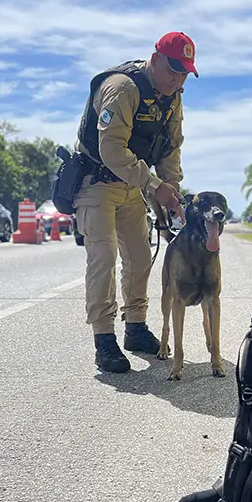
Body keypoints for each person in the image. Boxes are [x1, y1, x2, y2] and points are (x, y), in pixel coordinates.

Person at [72, 31, 196, 373]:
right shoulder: (122, 88)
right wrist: (155, 185)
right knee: (104, 255)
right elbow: (110, 150)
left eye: (184, 72)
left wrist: (170, 192)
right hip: (98, 181)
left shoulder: (173, 97)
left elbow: (171, 149)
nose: (177, 78)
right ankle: (104, 338)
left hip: (134, 186)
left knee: (140, 256)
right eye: (173, 69)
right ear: (155, 60)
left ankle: (136, 327)